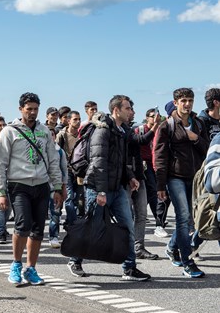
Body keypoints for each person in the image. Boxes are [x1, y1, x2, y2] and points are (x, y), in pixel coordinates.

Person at [67, 95, 151, 281]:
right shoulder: (102, 130)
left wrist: (130, 177)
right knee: (92, 227)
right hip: (98, 188)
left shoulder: (121, 130)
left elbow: (120, 161)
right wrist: (101, 191)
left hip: (117, 188)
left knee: (127, 227)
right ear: (116, 110)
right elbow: (99, 163)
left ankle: (129, 268)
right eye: (128, 108)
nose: (131, 112)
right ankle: (75, 260)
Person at [0, 93, 63, 285]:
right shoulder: (9, 131)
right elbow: (1, 163)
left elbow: (52, 159)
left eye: (35, 109)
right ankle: (16, 265)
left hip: (41, 185)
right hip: (19, 185)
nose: (33, 112)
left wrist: (57, 186)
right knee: (22, 225)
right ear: (21, 109)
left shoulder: (43, 131)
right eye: (29, 109)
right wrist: (0, 192)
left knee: (37, 230)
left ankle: (31, 268)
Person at [155, 88, 208, 277]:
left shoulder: (199, 124)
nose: (187, 104)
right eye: (184, 100)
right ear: (175, 102)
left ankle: (171, 247)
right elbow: (160, 157)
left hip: (195, 178)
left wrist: (195, 139)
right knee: (183, 217)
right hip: (175, 177)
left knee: (191, 219)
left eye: (190, 100)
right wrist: (160, 185)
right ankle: (188, 262)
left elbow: (207, 149)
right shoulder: (166, 126)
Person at [135, 108, 167, 237]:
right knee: (153, 192)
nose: (155, 119)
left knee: (150, 194)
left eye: (157, 117)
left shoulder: (160, 130)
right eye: (152, 116)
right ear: (147, 117)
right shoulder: (140, 130)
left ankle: (155, 221)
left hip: (157, 164)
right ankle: (159, 223)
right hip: (145, 164)